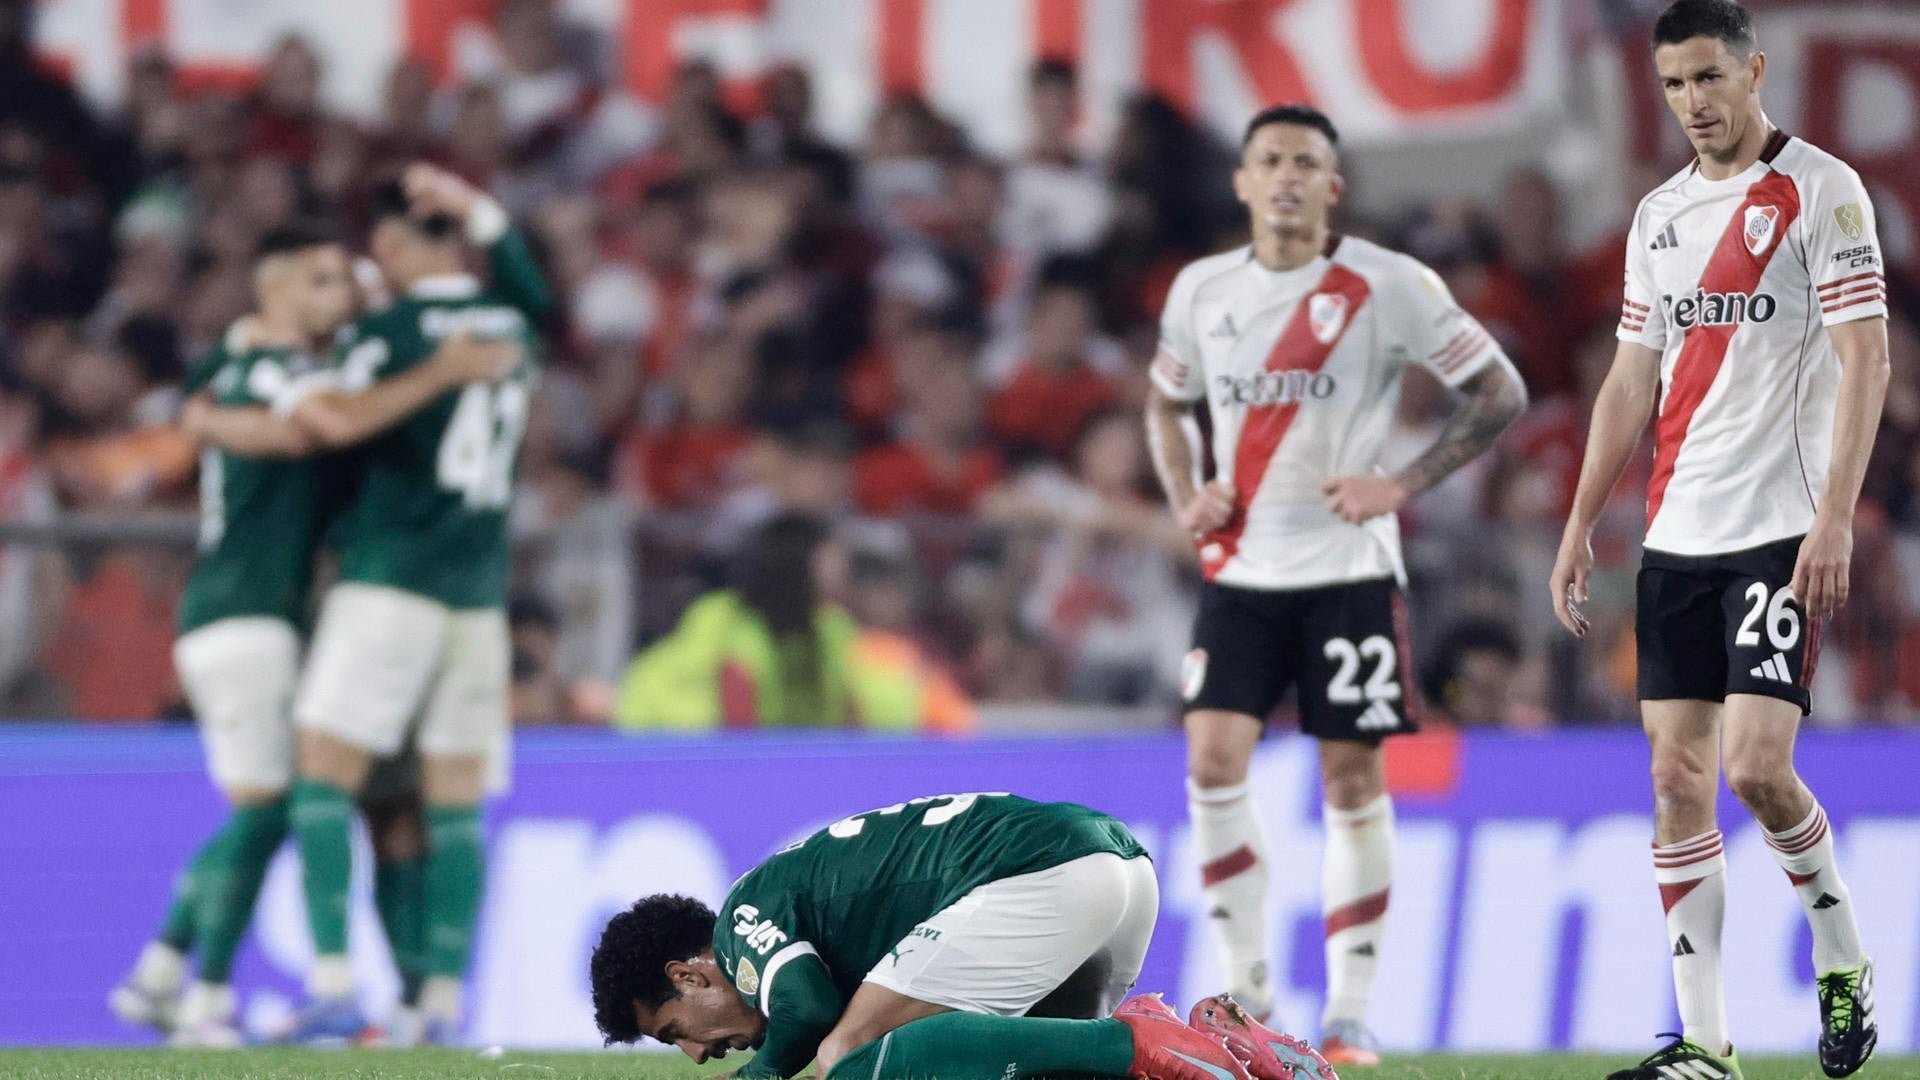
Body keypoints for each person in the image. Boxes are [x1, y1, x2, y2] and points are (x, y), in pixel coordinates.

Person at [1144, 103, 1527, 1065]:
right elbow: (1164, 400)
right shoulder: (1201, 290)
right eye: (1267, 159)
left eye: (1304, 162)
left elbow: (1500, 391)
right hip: (1240, 570)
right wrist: (1188, 490)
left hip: (1349, 571)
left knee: (1351, 776)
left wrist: (1402, 483)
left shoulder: (1387, 286)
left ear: (1333, 186)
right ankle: (1248, 993)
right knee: (1212, 762)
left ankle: (1350, 1012)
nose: (1284, 176)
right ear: (1241, 181)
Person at [1548, 3, 1887, 1078]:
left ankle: (1843, 960)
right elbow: (1629, 380)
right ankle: (1706, 1048)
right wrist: (1577, 522)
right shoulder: (1658, 217)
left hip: (1780, 533)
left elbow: (1866, 359)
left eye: (1708, 79)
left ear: (1754, 69)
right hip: (1676, 539)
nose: (1694, 103)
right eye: (1675, 86)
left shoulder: (1821, 190)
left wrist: (1833, 516)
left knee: (1756, 770)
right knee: (1675, 779)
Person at [108, 221, 512, 1046]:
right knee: (268, 810)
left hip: (265, 618)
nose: (344, 295)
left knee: (279, 808)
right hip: (241, 615)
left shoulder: (254, 362)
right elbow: (302, 427)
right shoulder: (267, 366)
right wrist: (442, 369)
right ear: (280, 292)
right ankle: (202, 992)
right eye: (324, 282)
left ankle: (162, 973)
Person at [283, 169, 547, 1043]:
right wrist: (485, 211)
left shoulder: (393, 332)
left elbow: (335, 418)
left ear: (392, 247)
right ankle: (437, 1004)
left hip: (392, 580)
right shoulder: (509, 324)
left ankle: (331, 983)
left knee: (323, 772)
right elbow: (535, 294)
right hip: (478, 595)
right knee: (452, 801)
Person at [589, 792, 1334, 1080]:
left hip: (1041, 875)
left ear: (689, 975)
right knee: (1044, 1074)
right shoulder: (792, 904)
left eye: (673, 1033)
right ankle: (1227, 1046)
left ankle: (1147, 1038)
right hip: (1114, 868)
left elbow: (812, 1013)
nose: (697, 1054)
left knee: (850, 1065)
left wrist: (760, 1079)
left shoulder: (740, 922)